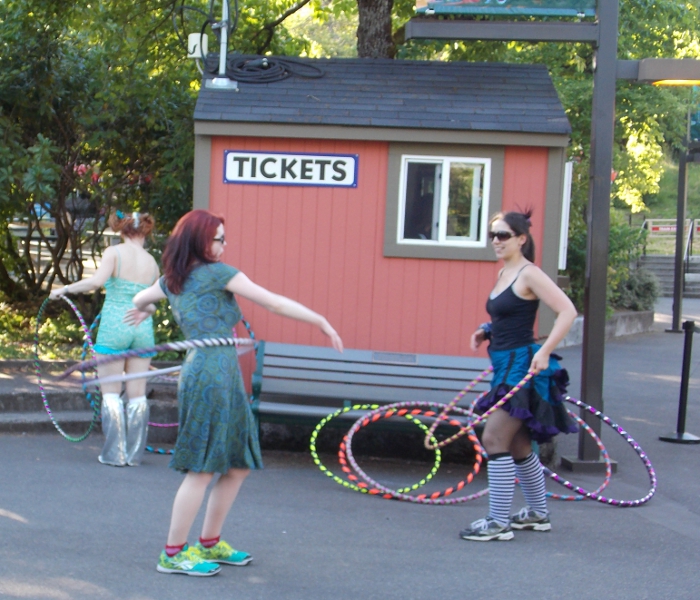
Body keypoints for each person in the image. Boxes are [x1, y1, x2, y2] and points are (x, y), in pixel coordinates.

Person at [127, 209, 343, 577]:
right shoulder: (219, 274)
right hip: (210, 371)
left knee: (238, 465)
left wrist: (147, 310)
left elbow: (137, 301)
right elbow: (272, 302)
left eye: (224, 238)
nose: (224, 245)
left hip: (216, 369)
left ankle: (209, 542)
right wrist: (319, 321)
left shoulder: (172, 280)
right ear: (199, 240)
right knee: (201, 468)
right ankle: (173, 553)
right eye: (218, 238)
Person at [459, 210, 577, 542]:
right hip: (504, 366)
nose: (496, 241)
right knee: (518, 444)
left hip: (523, 368)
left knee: (494, 438)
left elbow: (567, 311)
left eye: (503, 235)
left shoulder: (529, 273)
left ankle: (497, 522)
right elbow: (510, 317)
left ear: (521, 239)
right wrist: (486, 330)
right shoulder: (504, 273)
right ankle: (538, 513)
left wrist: (544, 350)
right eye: (493, 235)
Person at [50, 210, 159, 467]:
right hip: (142, 327)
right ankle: (134, 455)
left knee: (110, 392)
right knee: (138, 394)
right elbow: (154, 302)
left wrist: (64, 289)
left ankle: (114, 453)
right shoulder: (153, 262)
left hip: (115, 324)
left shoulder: (115, 253)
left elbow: (97, 281)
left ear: (122, 230)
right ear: (145, 231)